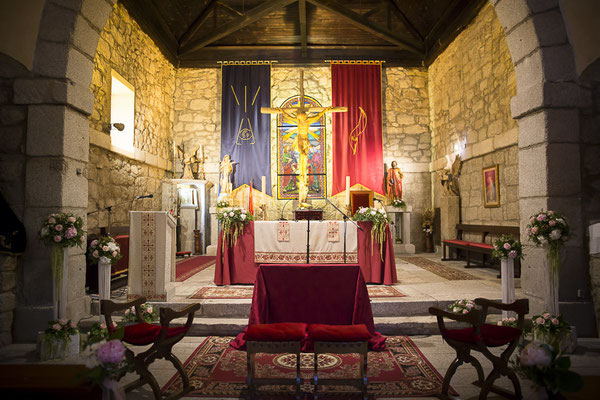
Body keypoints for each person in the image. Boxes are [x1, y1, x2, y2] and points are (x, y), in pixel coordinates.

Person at [277, 107, 332, 207]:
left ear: (304, 115)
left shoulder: (308, 120)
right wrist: (281, 111)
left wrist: (325, 110)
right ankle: (301, 197)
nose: (300, 118)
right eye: (299, 117)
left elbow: (318, 115)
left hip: (305, 140)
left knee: (304, 157)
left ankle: (304, 186)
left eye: (301, 116)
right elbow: (288, 116)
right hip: (300, 140)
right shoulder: (298, 121)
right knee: (302, 157)